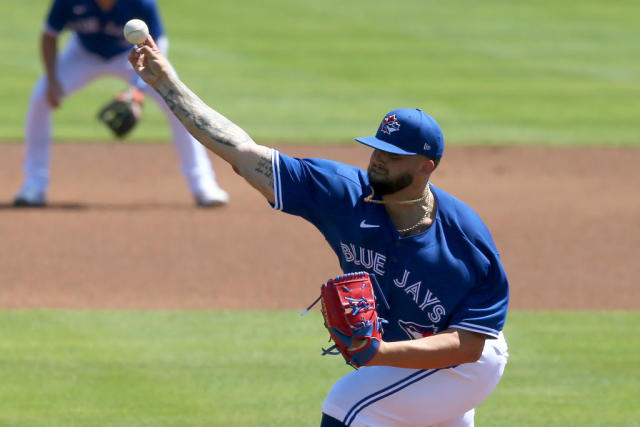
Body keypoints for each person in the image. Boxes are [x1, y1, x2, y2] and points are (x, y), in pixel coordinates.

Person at [129, 35, 510, 426]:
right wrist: (168, 85)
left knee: (347, 405)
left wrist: (378, 354)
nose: (377, 162)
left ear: (426, 167)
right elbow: (241, 152)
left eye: (393, 157)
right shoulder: (342, 193)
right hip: (411, 356)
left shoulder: (464, 241)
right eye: (377, 149)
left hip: (465, 365)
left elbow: (469, 346)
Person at [13, 0, 228, 207]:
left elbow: (158, 43)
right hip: (82, 54)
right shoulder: (68, 1)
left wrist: (137, 87)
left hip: (130, 55)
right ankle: (34, 185)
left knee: (177, 102)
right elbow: (49, 35)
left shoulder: (141, 2)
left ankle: (203, 184)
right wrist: (52, 79)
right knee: (40, 98)